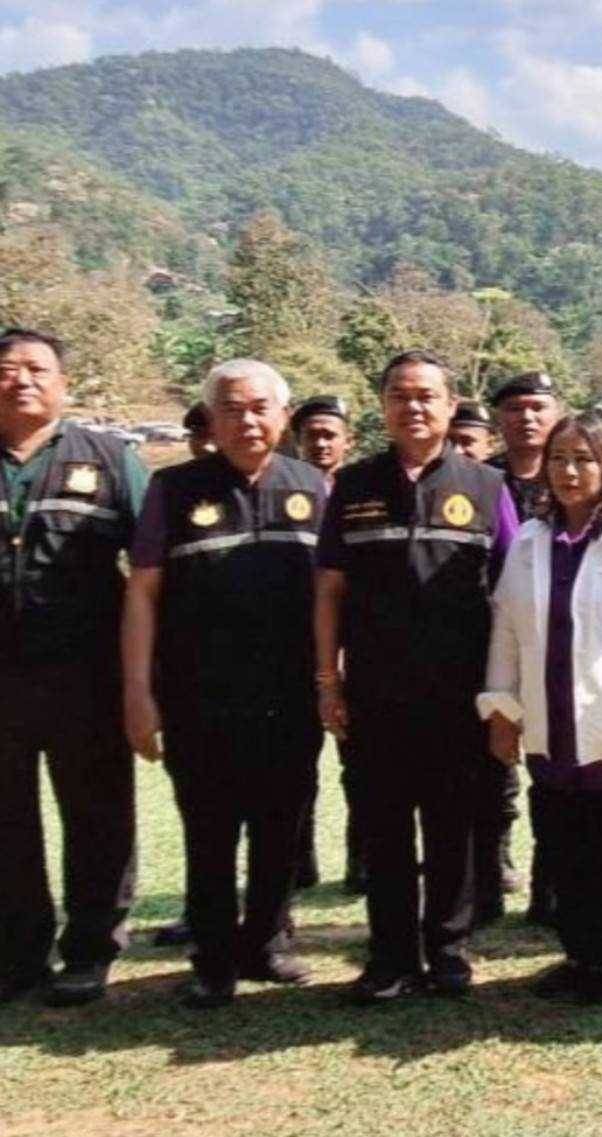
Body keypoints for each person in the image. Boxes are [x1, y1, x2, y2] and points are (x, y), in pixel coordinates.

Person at [315, 349, 518, 1003]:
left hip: (460, 693)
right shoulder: (354, 485)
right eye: (400, 395)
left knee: (453, 825)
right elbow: (330, 590)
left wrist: (506, 693)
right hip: (375, 691)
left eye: (427, 395)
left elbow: (513, 592)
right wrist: (328, 680)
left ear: (451, 404)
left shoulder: (487, 486)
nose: (414, 406)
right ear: (383, 406)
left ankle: (449, 950)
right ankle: (391, 956)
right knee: (384, 827)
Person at [123, 359, 325, 1009]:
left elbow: (335, 595)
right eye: (232, 409)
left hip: (290, 696)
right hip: (199, 698)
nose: (248, 420)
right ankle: (212, 960)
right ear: (210, 420)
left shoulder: (313, 485)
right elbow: (143, 593)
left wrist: (334, 679)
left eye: (261, 407)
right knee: (209, 831)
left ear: (284, 416)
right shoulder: (174, 489)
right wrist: (137, 691)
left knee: (280, 826)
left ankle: (266, 943)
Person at [480, 414, 602, 1003]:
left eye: (585, 459)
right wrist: (501, 708)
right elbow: (506, 627)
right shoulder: (530, 541)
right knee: (562, 846)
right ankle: (576, 955)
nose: (570, 471)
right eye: (560, 459)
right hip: (550, 722)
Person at [0, 326, 148, 1006]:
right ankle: (17, 952)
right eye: (8, 368)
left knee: (96, 812)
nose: (22, 380)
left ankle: (90, 950)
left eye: (38, 369)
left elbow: (151, 570)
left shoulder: (111, 458)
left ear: (64, 384)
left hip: (86, 673)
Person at [490, 370, 561, 925]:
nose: (527, 417)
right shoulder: (479, 480)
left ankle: (550, 889)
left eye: (538, 407)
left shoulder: (573, 474)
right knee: (489, 770)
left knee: (555, 772)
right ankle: (488, 878)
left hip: (556, 647)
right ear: (499, 419)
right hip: (489, 641)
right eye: (515, 408)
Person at [448, 397, 520, 924]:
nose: (458, 450)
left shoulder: (491, 489)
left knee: (494, 781)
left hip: (491, 656)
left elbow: (511, 575)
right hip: (435, 666)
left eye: (467, 441)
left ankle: (490, 888)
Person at [291, 393, 362, 892]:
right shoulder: (283, 491)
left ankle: (362, 862)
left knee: (358, 763)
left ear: (348, 441)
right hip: (294, 646)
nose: (320, 444)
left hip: (355, 646)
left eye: (329, 434)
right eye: (311, 435)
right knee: (295, 765)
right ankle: (299, 864)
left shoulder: (361, 493)